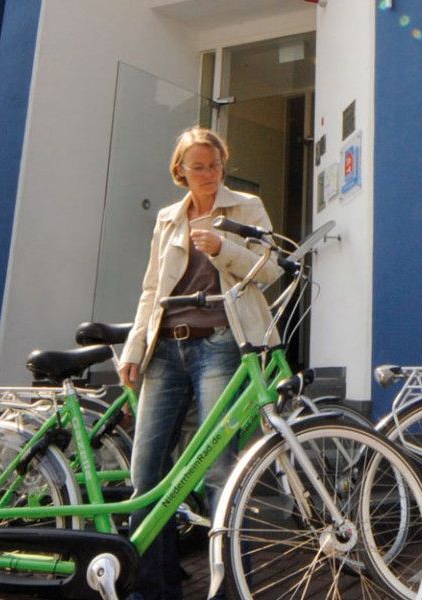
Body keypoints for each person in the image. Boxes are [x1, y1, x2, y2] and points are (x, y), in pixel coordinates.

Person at [117, 126, 280, 600]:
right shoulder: (169, 217)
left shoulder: (246, 207)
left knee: (218, 468)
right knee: (146, 471)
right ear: (180, 172)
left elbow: (268, 270)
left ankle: (230, 587)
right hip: (165, 348)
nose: (209, 173)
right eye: (199, 166)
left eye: (215, 164)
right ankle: (153, 586)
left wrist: (222, 248)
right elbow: (152, 288)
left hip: (221, 344)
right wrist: (134, 347)